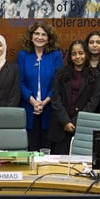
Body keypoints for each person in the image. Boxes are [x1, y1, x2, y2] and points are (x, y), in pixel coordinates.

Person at [49, 40, 100, 154]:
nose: (77, 57)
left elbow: (93, 102)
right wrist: (66, 122)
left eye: (81, 53)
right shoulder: (60, 73)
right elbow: (55, 98)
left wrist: (75, 122)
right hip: (60, 127)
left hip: (83, 127)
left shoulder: (95, 75)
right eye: (74, 54)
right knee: (59, 167)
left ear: (86, 54)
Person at [17, 21, 63, 151]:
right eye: (36, 33)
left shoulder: (56, 56)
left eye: (44, 34)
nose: (40, 37)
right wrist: (33, 101)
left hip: (49, 109)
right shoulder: (23, 55)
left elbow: (58, 84)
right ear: (31, 37)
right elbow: (19, 83)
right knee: (31, 149)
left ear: (49, 38)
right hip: (28, 109)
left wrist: (44, 102)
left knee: (46, 150)